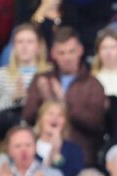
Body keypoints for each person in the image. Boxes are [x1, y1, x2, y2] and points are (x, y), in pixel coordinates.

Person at [23, 27, 107, 164]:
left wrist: (63, 102)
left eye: (71, 52)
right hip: (40, 156)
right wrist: (44, 101)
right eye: (61, 53)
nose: (67, 58)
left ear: (80, 51)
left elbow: (96, 122)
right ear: (53, 54)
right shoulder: (42, 80)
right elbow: (28, 115)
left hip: (80, 156)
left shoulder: (93, 84)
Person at [0, 23, 50, 134]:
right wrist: (13, 99)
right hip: (9, 132)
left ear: (39, 47)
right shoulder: (0, 75)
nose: (24, 46)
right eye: (20, 42)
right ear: (13, 47)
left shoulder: (49, 74)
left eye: (30, 42)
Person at [31, 99, 86, 176]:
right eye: (50, 113)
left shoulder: (73, 150)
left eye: (60, 115)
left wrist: (57, 157)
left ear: (65, 122)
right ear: (40, 119)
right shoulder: (28, 146)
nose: (55, 118)